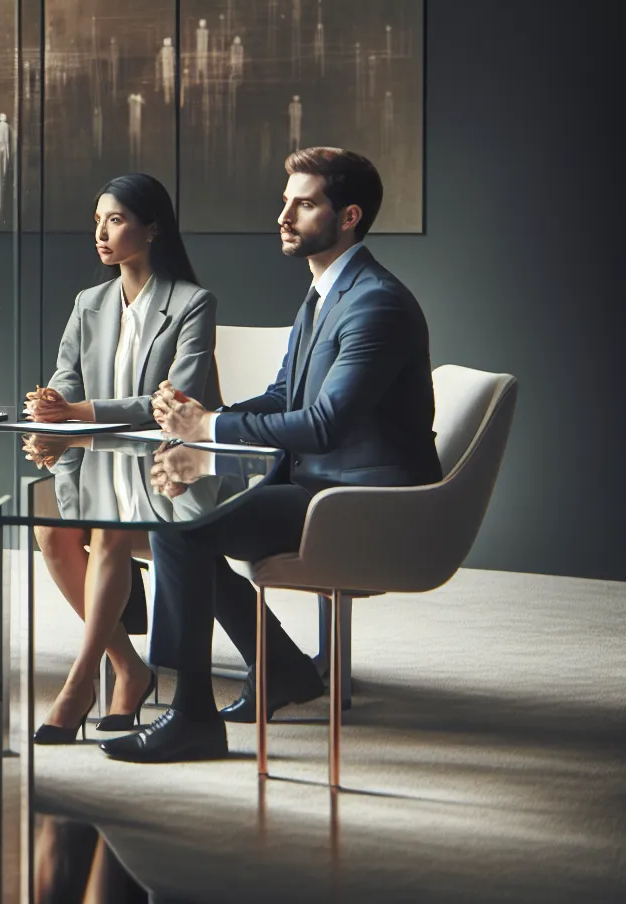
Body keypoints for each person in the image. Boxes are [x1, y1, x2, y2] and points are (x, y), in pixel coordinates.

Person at [102, 148, 439, 764]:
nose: (283, 216)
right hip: (316, 483)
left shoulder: (375, 302)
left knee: (181, 527)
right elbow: (285, 396)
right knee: (175, 510)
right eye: (286, 202)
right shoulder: (323, 295)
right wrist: (202, 427)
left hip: (364, 499)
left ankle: (192, 716)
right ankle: (279, 667)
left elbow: (325, 424)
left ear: (348, 217)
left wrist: (210, 426)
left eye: (303, 204)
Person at [23, 174, 220, 744]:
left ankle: (79, 683)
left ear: (152, 228)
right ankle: (129, 667)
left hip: (174, 470)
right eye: (98, 221)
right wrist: (53, 402)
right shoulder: (90, 303)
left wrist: (76, 412)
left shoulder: (192, 303)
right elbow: (67, 375)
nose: (101, 233)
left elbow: (172, 403)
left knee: (107, 531)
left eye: (115, 220)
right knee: (51, 532)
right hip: (102, 463)